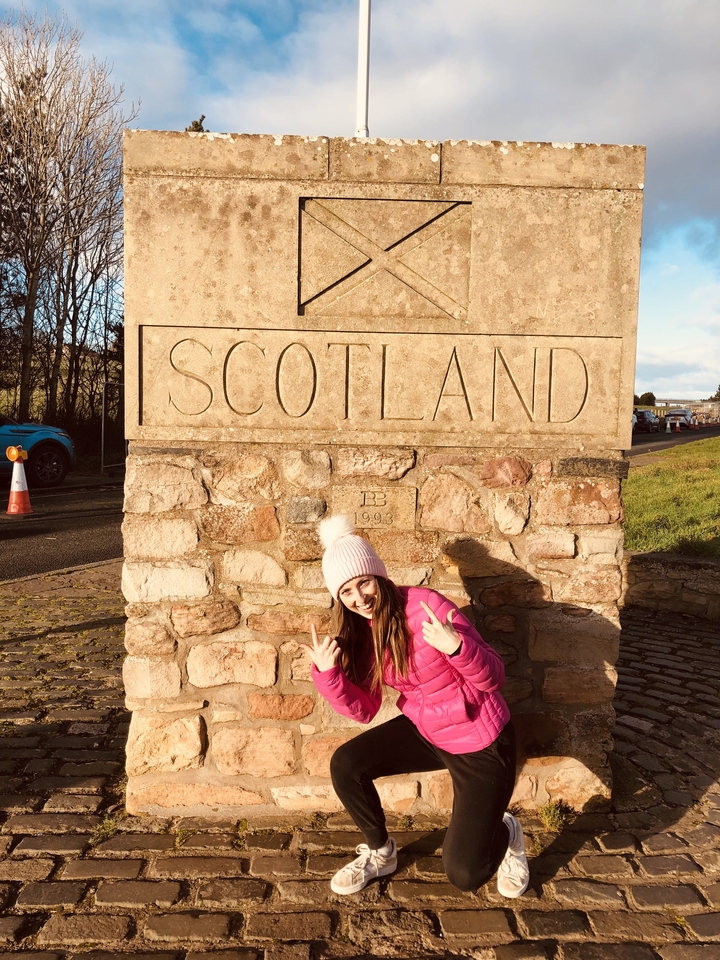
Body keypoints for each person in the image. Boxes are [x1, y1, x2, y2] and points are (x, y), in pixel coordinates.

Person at [300, 514, 529, 898]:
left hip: (481, 740)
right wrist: (329, 676)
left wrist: (456, 647)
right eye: (347, 593)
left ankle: (506, 830)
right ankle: (380, 853)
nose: (360, 599)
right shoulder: (361, 631)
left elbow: (494, 678)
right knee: (346, 764)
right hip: (428, 730)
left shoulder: (427, 606)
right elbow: (364, 710)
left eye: (364, 583)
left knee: (465, 874)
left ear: (379, 575)